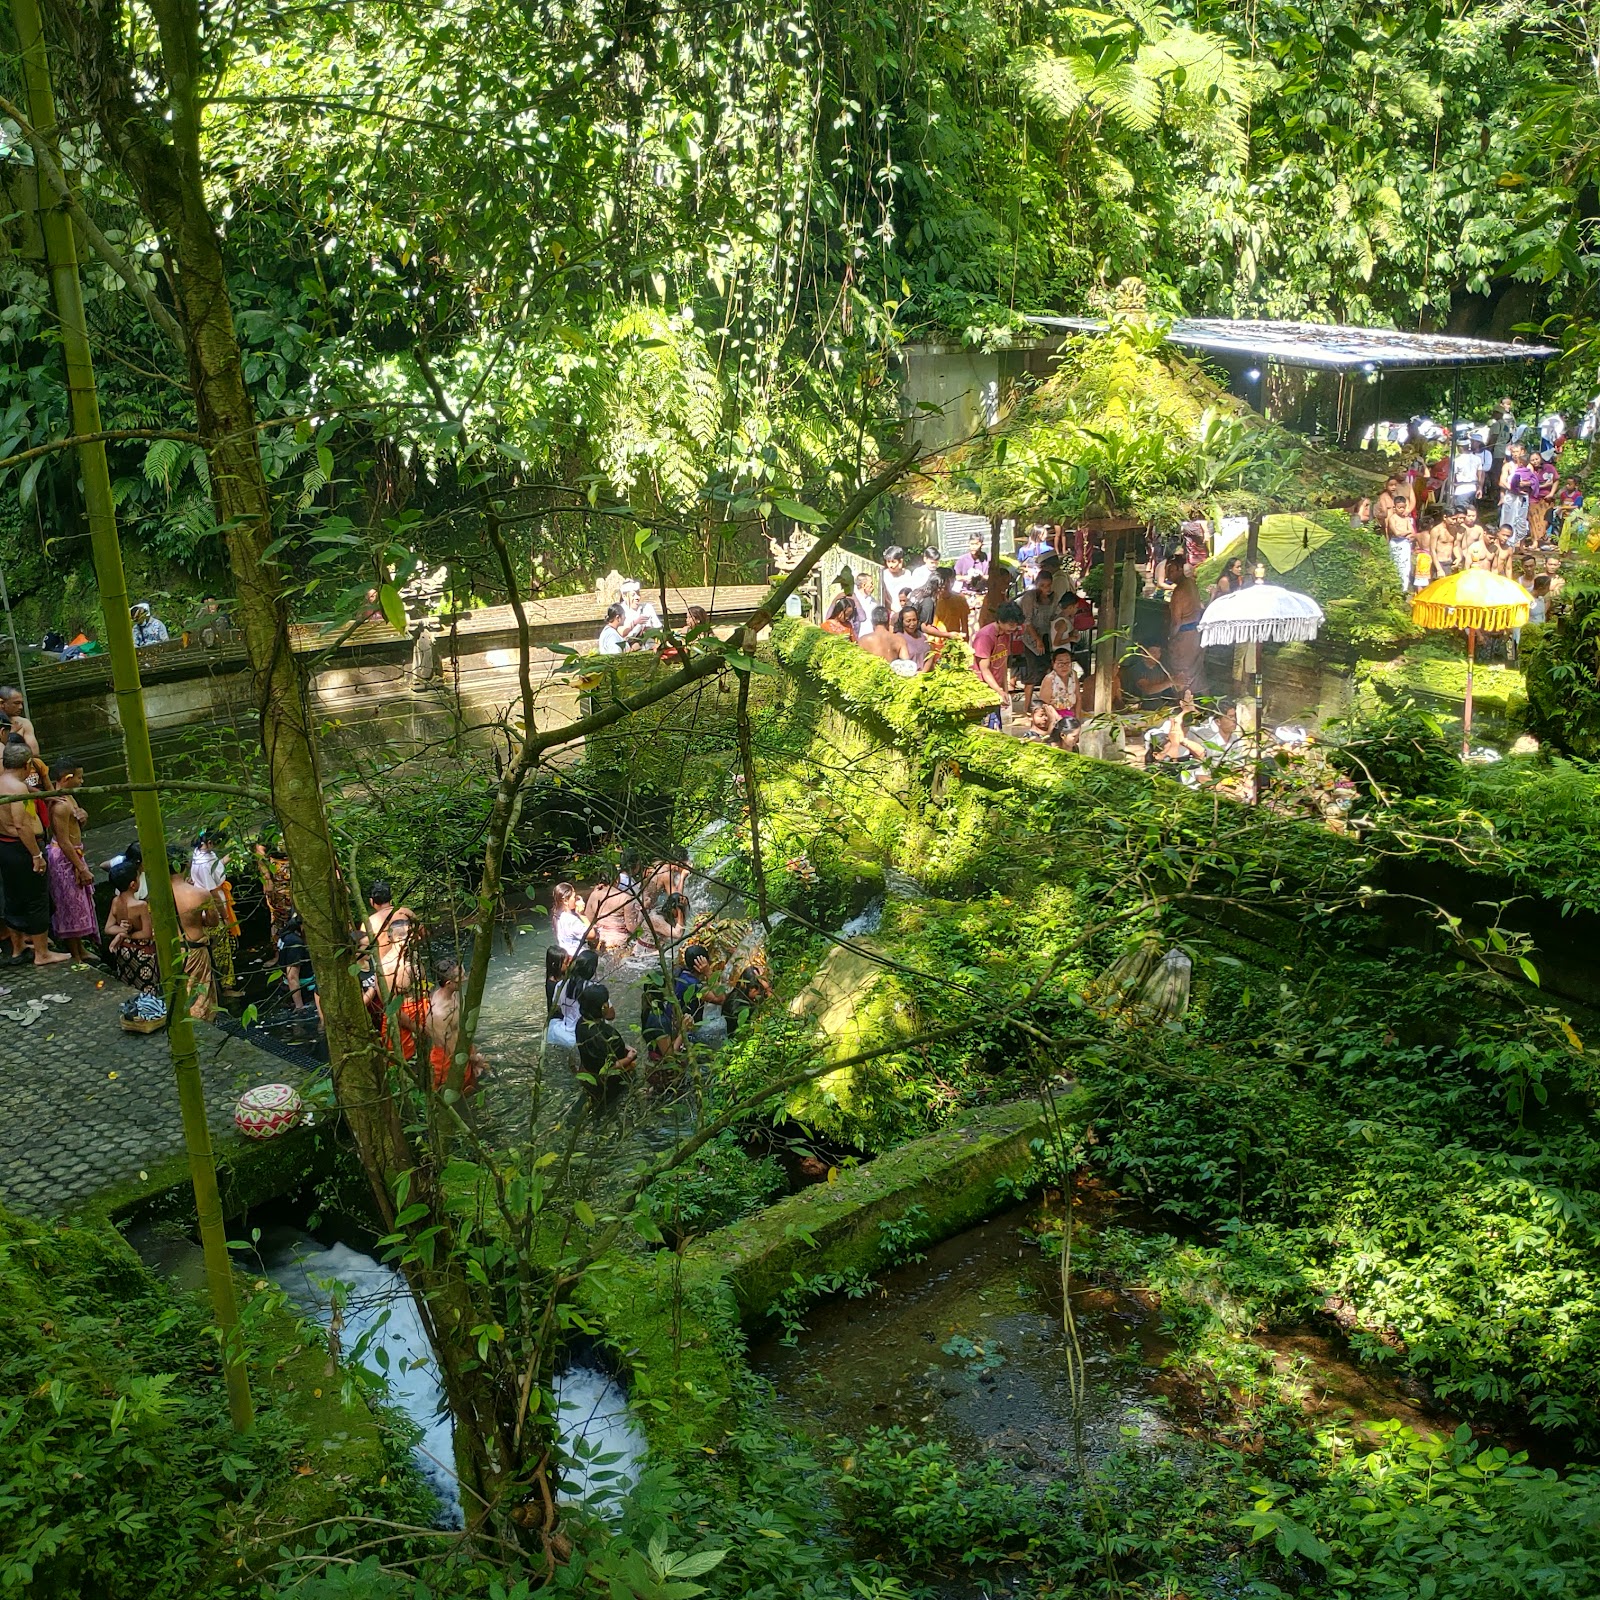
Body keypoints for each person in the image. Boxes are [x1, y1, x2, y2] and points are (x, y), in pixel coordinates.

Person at [0, 744, 66, 965]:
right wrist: (36, 855)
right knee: (37, 898)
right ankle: (42, 953)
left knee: (13, 896)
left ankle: (18, 948)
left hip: (5, 847)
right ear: (28, 765)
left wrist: (43, 793)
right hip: (22, 847)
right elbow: (20, 825)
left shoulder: (3, 782)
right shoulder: (17, 788)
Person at [46, 759, 95, 962]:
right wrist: (80, 867)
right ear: (67, 778)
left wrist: (83, 817)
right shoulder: (59, 806)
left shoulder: (70, 799)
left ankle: (81, 948)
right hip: (65, 858)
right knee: (68, 905)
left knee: (78, 905)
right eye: (79, 777)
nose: (81, 781)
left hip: (75, 853)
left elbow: (75, 828)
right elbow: (64, 841)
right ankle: (75, 954)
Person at [169, 850, 219, 1020]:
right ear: (186, 864)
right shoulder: (199, 894)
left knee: (177, 992)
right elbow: (213, 922)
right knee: (201, 998)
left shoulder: (156, 896)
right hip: (196, 950)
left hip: (172, 950)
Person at [189, 828, 240, 994]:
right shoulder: (203, 865)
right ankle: (227, 986)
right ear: (209, 843)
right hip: (213, 905)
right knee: (221, 948)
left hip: (216, 896)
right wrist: (225, 917)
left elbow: (215, 869)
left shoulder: (199, 854)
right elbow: (213, 893)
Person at [428, 957, 485, 1091]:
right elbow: (450, 1051)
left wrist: (473, 1051)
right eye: (461, 977)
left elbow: (458, 1030)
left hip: (462, 1052)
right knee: (461, 1094)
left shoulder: (451, 994)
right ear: (449, 983)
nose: (464, 979)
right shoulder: (440, 1013)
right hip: (447, 1062)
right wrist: (474, 1059)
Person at [576, 982, 635, 1096]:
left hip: (589, 1074)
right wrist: (629, 1058)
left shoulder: (581, 1023)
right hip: (609, 1082)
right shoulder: (600, 1035)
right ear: (603, 1007)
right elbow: (608, 1068)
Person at [365, 879, 422, 995]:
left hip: (385, 973)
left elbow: (364, 953)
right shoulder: (406, 913)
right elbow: (422, 933)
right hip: (410, 965)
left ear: (371, 901)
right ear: (391, 898)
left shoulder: (368, 923)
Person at [1017, 567, 1062, 714]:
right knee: (1033, 672)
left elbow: (1056, 616)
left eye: (1048, 586)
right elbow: (1027, 621)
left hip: (1046, 636)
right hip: (1030, 639)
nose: (1046, 589)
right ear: (1037, 584)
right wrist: (1037, 640)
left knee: (1047, 669)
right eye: (1042, 586)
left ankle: (1047, 703)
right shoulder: (1029, 598)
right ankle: (1027, 707)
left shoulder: (1054, 598)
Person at [971, 601, 1023, 725]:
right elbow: (984, 669)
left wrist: (1005, 689)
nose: (1013, 628)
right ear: (1000, 620)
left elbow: (1003, 663)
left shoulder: (1006, 634)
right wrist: (999, 691)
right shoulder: (985, 636)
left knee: (997, 727)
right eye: (1010, 624)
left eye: (1015, 625)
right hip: (982, 689)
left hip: (996, 688)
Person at [1164, 557, 1205, 693]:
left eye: (1171, 571)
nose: (1168, 575)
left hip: (1184, 637)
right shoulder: (1191, 583)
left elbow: (1176, 622)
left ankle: (1185, 704)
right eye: (1167, 571)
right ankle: (1201, 704)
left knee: (1181, 673)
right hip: (1196, 633)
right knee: (1195, 671)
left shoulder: (1179, 592)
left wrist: (1170, 638)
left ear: (1180, 570)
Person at [548, 947, 597, 1049]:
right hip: (581, 1036)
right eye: (567, 961)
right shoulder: (595, 989)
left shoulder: (560, 985)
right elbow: (610, 1015)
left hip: (562, 1031)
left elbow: (557, 1007)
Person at [673, 943, 725, 1033]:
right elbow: (720, 999)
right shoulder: (693, 985)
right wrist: (708, 972)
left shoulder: (681, 973)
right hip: (685, 1027)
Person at [275, 912, 319, 1018]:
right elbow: (292, 977)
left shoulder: (286, 934)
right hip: (304, 991)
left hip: (286, 988)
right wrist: (299, 1006)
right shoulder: (295, 943)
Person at [583, 865, 635, 951]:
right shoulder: (625, 897)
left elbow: (588, 919)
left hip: (598, 941)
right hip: (618, 943)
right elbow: (631, 928)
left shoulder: (594, 894)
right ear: (617, 879)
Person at [253, 840, 295, 941]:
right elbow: (259, 849)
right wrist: (266, 877)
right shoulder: (268, 830)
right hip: (278, 884)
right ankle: (280, 946)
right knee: (279, 919)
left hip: (293, 879)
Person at [858, 606, 915, 675]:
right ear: (889, 621)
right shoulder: (899, 640)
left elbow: (859, 666)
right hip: (892, 680)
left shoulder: (862, 641)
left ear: (872, 622)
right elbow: (906, 666)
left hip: (871, 679)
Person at [722, 965, 772, 1038]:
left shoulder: (745, 997)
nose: (761, 993)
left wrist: (767, 987)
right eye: (760, 989)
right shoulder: (737, 1004)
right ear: (752, 988)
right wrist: (768, 990)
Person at [550, 882, 590, 960]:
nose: (577, 899)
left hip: (565, 955)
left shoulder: (556, 915)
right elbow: (592, 935)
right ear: (565, 901)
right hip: (577, 957)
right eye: (574, 897)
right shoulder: (571, 920)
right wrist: (582, 914)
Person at [1038, 646, 1080, 720]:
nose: (1064, 667)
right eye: (1060, 663)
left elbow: (1078, 697)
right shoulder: (1050, 679)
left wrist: (1077, 719)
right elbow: (1044, 705)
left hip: (1071, 715)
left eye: (1067, 663)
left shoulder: (1073, 674)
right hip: (1054, 717)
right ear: (1053, 663)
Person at [1528, 451, 1559, 547]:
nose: (1535, 462)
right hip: (1533, 498)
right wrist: (1543, 485)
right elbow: (1529, 484)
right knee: (1533, 519)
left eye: (1536, 459)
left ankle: (1541, 537)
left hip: (1547, 498)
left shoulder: (1549, 468)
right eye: (1532, 460)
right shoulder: (1529, 470)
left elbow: (1556, 480)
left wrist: (1551, 493)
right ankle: (1535, 541)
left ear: (1541, 458)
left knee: (1544, 520)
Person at [931, 567, 970, 638]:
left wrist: (965, 643)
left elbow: (965, 624)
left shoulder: (960, 599)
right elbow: (933, 624)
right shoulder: (934, 599)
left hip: (954, 638)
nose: (945, 584)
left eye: (949, 581)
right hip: (938, 639)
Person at [0, 687, 37, 757]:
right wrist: (10, 734)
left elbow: (34, 753)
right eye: (16, 703)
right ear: (2, 703)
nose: (21, 707)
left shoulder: (23, 723)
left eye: (21, 703)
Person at [1451, 435, 1483, 509]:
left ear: (1460, 447)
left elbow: (1453, 477)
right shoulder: (1477, 459)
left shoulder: (1457, 460)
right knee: (1471, 511)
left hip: (1461, 490)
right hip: (1473, 488)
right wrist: (1480, 488)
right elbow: (1480, 476)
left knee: (1461, 512)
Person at [880, 547, 916, 615]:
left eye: (893, 562)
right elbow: (885, 598)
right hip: (890, 612)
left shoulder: (907, 574)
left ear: (900, 561)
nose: (890, 565)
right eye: (888, 562)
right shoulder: (884, 575)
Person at [895, 604, 931, 670]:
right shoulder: (898, 638)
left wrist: (924, 671)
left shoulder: (922, 636)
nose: (912, 624)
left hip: (924, 675)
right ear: (902, 622)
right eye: (908, 621)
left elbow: (930, 655)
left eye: (914, 620)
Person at [823, 571, 858, 637]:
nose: (848, 618)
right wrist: (834, 600)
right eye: (847, 615)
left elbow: (855, 643)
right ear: (839, 611)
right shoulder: (826, 626)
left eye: (849, 615)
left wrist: (855, 600)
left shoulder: (848, 626)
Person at [852, 569, 878, 637]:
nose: (873, 586)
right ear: (863, 585)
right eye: (871, 584)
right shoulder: (852, 599)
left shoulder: (873, 601)